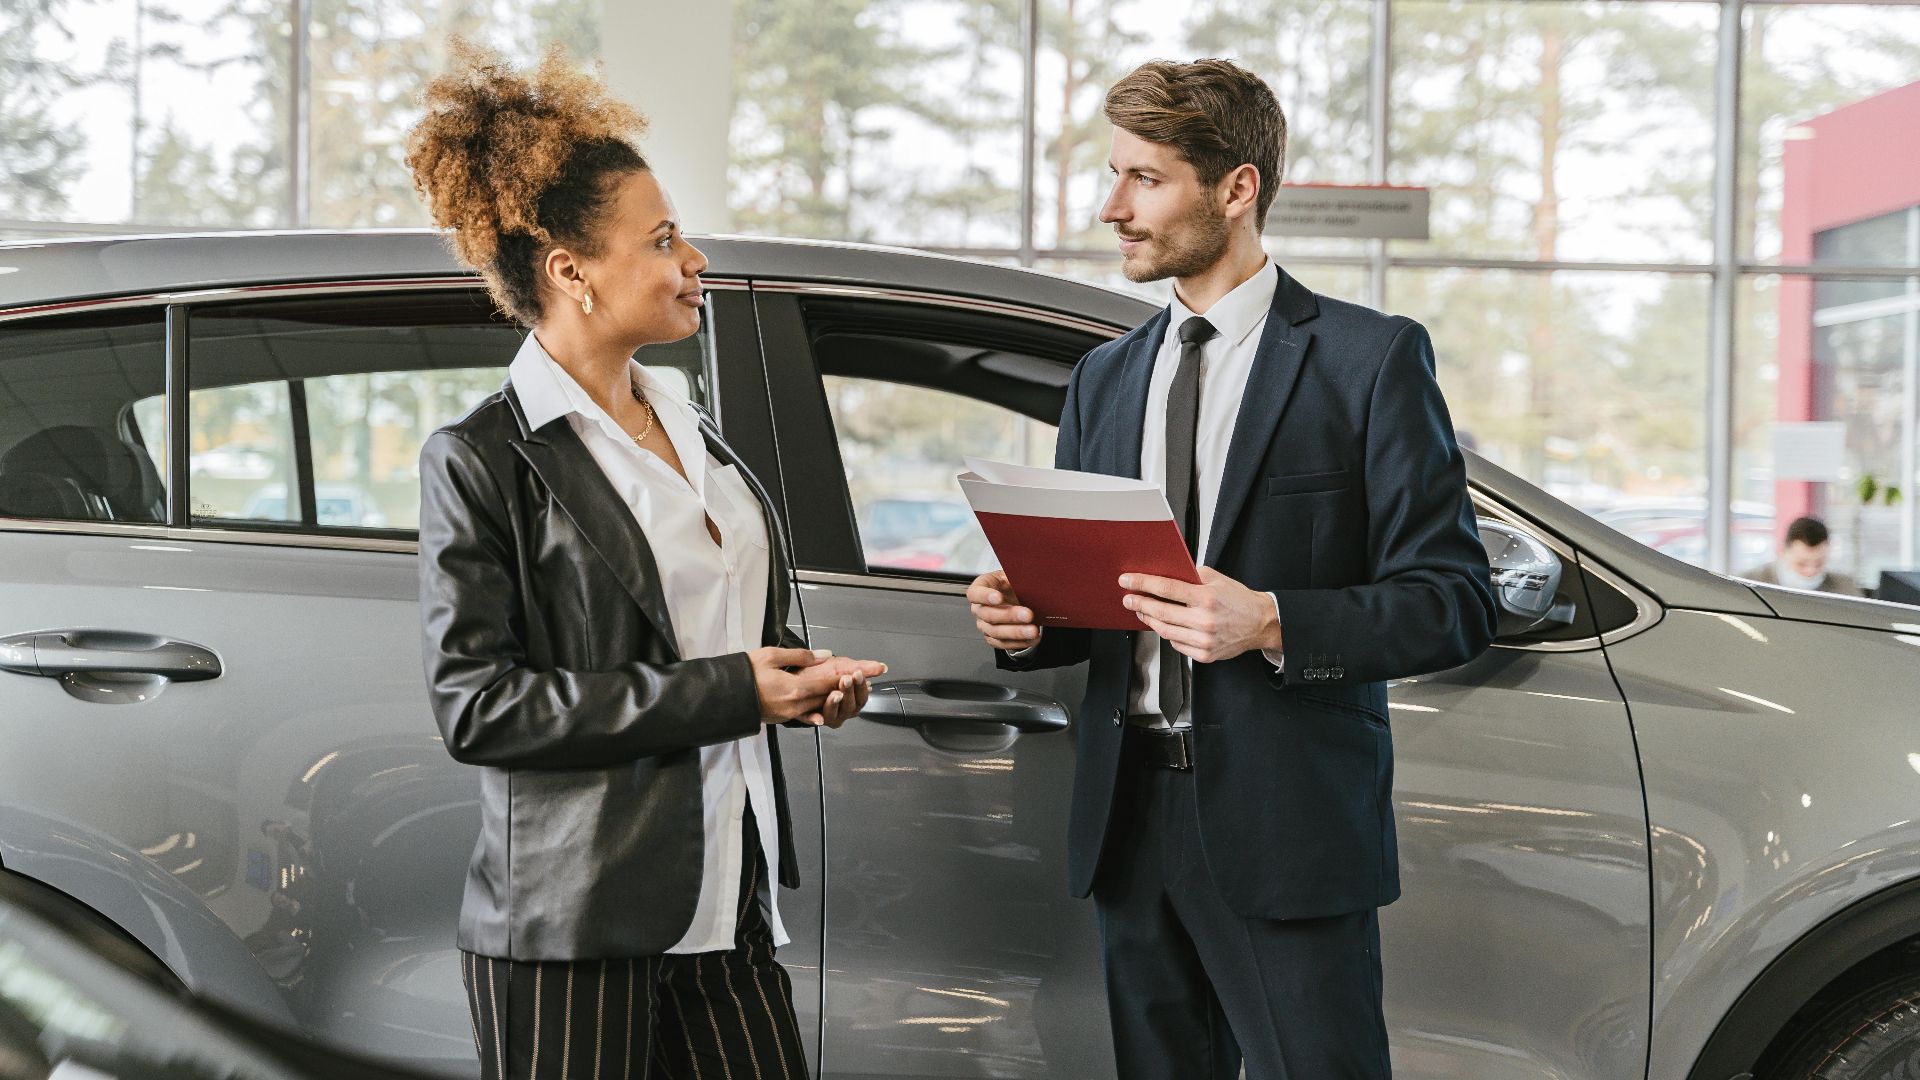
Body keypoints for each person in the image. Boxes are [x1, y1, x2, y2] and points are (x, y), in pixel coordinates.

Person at [968, 59, 1498, 1080]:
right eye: (1113, 174)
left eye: (1146, 180)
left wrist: (1270, 623)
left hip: (1285, 828)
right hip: (1131, 824)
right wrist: (1029, 622)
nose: (1113, 208)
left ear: (1237, 187)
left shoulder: (1368, 360)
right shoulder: (1105, 378)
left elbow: (1455, 603)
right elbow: (1098, 608)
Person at [407, 41, 884, 1080]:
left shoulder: (689, 426)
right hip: (577, 925)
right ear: (570, 271)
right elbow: (479, 708)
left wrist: (793, 677)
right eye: (664, 239)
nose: (693, 262)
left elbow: (720, 627)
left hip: (729, 895)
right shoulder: (485, 459)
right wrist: (730, 691)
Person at [1740, 515, 1864, 596]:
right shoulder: (1748, 584)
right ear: (1782, 551)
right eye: (1801, 564)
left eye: (1819, 563)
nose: (1811, 571)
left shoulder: (1845, 588)